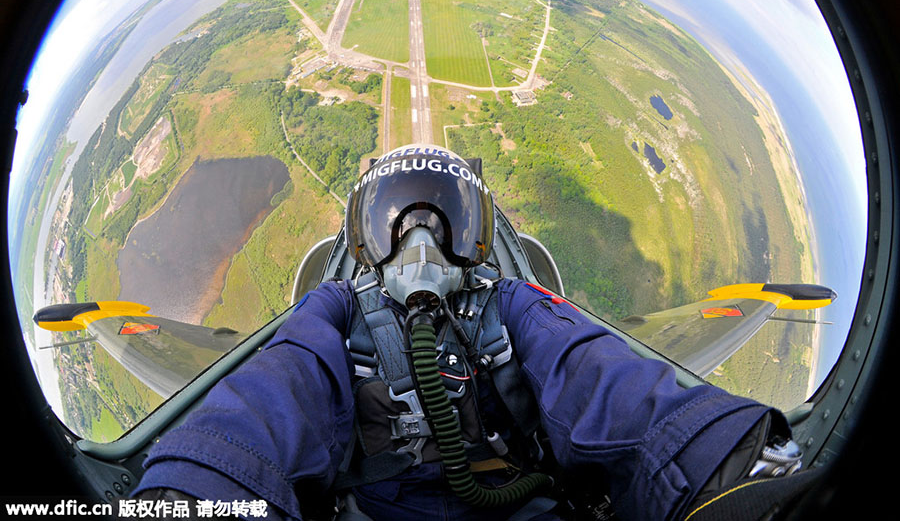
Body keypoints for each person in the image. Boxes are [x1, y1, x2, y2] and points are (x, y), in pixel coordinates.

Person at [131, 145, 804, 521]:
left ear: (473, 238)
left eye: (442, 221)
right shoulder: (332, 310)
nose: (419, 243)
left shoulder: (513, 304)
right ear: (369, 238)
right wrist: (200, 494)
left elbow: (596, 375)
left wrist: (719, 473)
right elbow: (277, 387)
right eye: (396, 225)